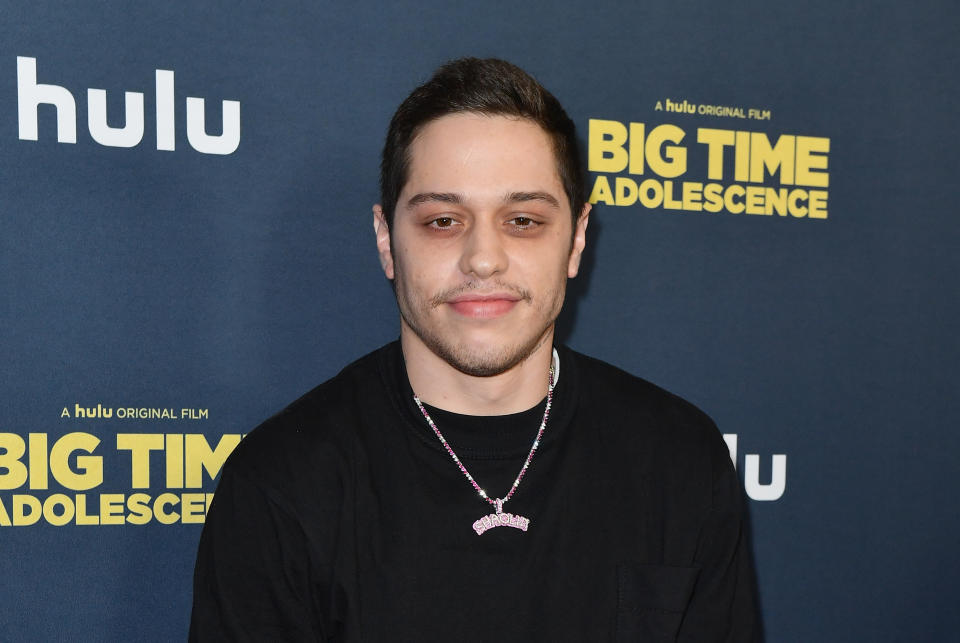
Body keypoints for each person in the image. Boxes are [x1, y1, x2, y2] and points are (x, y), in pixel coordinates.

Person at [189, 57, 760, 642]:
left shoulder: (679, 459)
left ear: (577, 239)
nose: (483, 258)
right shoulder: (280, 483)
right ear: (387, 242)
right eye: (442, 220)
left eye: (522, 220)